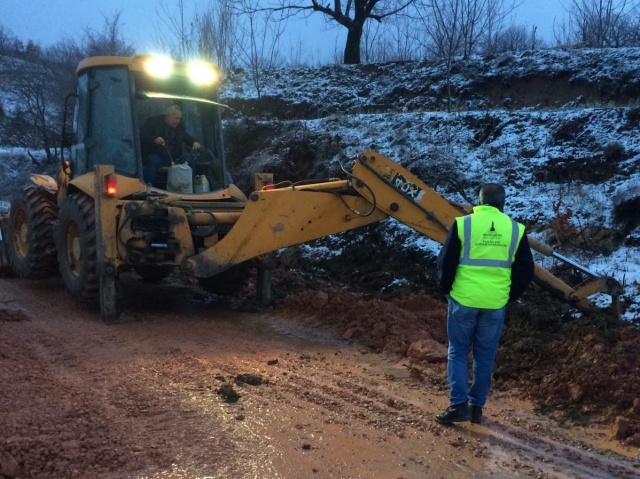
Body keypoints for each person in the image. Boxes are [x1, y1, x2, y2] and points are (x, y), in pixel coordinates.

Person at [435, 183, 534, 425]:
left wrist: (445, 290)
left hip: (463, 300)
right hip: (494, 304)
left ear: (478, 201)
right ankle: (476, 407)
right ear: (503, 203)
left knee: (458, 352)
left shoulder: (463, 224)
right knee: (485, 356)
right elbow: (526, 270)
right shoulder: (515, 229)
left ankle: (458, 405)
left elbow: (445, 261)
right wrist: (508, 296)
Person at [141, 104, 201, 187]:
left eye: (180, 118)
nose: (178, 121)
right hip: (159, 157)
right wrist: (154, 139)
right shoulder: (153, 123)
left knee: (189, 160)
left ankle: (190, 186)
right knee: (152, 160)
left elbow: (185, 136)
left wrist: (194, 142)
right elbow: (143, 137)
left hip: (175, 158)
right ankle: (148, 186)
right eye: (176, 118)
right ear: (168, 116)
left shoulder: (179, 127)